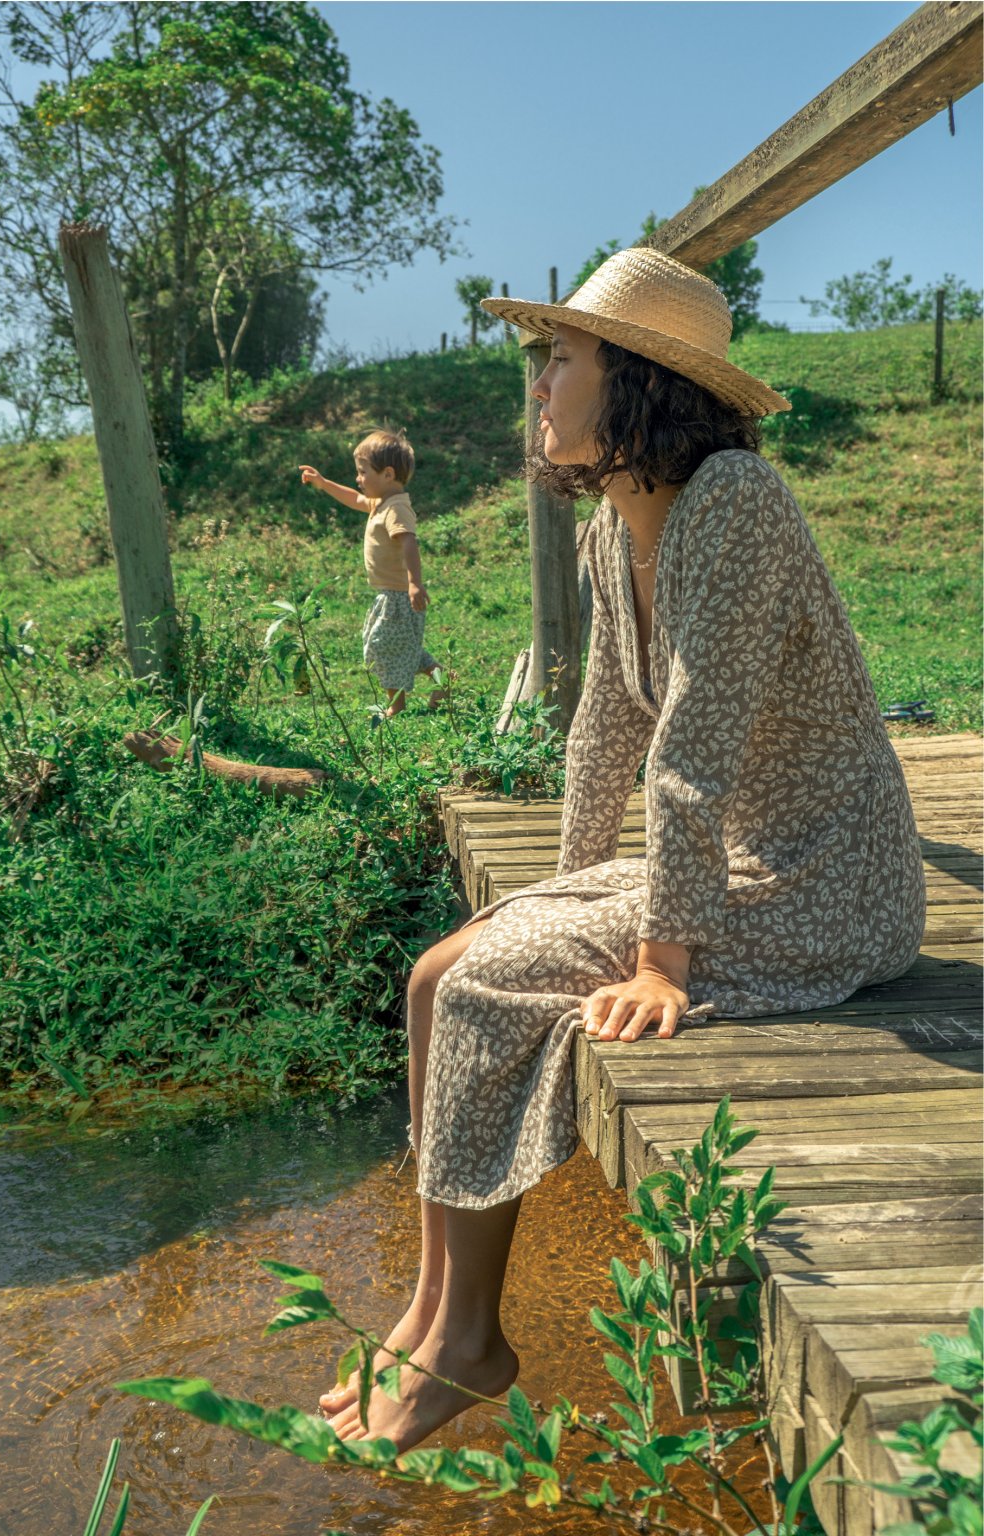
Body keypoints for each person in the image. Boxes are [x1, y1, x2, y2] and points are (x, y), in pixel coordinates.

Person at [317, 248, 926, 1452]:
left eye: (563, 359)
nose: (539, 386)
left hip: (827, 880)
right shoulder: (612, 530)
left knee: (493, 985)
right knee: (442, 969)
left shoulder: (737, 508)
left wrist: (660, 959)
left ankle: (471, 1344)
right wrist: (557, 886)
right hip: (733, 860)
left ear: (642, 382)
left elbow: (689, 743)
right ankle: (433, 1311)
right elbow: (606, 728)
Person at [300, 428, 446, 718]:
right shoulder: (380, 503)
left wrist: (414, 583)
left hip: (399, 596)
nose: (358, 478)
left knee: (384, 646)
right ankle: (441, 678)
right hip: (389, 594)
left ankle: (398, 704)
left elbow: (409, 542)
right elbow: (354, 499)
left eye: (363, 472)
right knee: (401, 644)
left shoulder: (396, 509)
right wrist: (323, 483)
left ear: (388, 475)